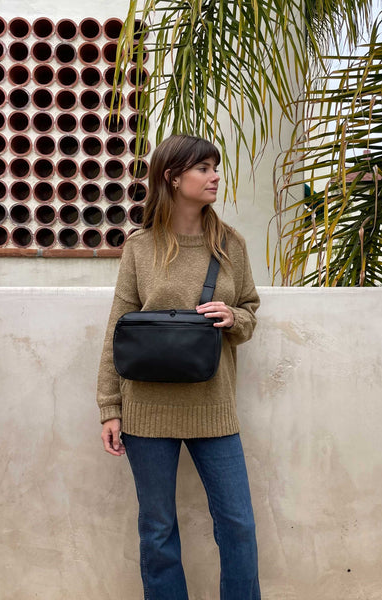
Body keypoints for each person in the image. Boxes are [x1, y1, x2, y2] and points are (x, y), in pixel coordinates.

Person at [96, 134, 261, 600]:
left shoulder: (231, 244)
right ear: (172, 177)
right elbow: (117, 329)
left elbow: (250, 309)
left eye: (215, 167)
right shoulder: (140, 247)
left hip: (214, 406)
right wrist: (110, 406)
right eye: (204, 168)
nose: (215, 177)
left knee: (237, 525)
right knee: (158, 529)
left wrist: (234, 317)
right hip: (146, 411)